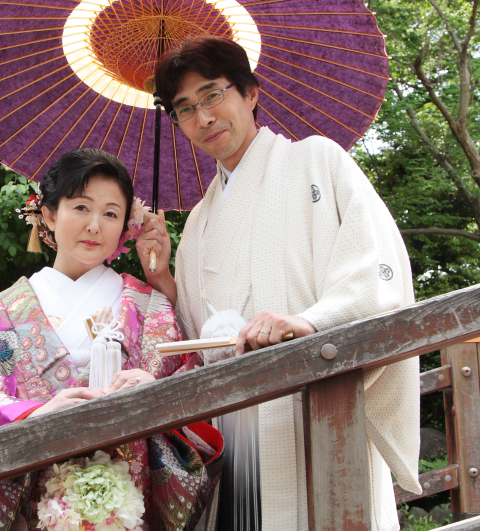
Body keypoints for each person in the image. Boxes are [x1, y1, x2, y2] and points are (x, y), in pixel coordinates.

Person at [136, 36, 421, 531]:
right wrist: (164, 281)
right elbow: (198, 338)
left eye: (212, 95)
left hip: (318, 399)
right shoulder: (198, 223)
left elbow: (374, 266)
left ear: (250, 93)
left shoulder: (317, 161)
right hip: (237, 431)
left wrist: (310, 322)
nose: (203, 117)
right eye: (184, 109)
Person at [0, 149, 211, 531]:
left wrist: (155, 391)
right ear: (50, 214)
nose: (95, 226)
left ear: (126, 226)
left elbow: (196, 390)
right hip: (33, 507)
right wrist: (33, 414)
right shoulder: (1, 312)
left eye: (111, 214)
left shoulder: (150, 307)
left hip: (129, 506)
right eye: (81, 207)